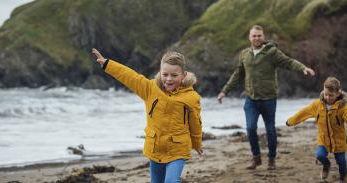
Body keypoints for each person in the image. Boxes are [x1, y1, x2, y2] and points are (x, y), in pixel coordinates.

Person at [92, 48, 203, 183]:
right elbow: (130, 77)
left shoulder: (191, 97)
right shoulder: (150, 89)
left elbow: (195, 123)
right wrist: (107, 64)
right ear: (160, 73)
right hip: (155, 147)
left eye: (174, 75)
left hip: (178, 149)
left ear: (184, 75)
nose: (169, 79)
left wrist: (197, 144)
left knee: (170, 181)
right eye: (165, 74)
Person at [217, 25, 315, 170]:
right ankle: (256, 158)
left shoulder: (272, 52)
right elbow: (238, 74)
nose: (256, 38)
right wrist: (224, 91)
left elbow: (288, 62)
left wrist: (303, 68)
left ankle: (271, 159)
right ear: (249, 38)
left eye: (259, 35)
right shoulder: (245, 54)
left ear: (263, 37)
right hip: (251, 99)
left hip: (269, 99)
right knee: (250, 128)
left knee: (270, 130)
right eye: (254, 36)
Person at [287, 77, 347, 182]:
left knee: (342, 162)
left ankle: (343, 176)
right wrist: (291, 121)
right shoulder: (317, 105)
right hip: (323, 140)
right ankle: (326, 165)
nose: (328, 97)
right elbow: (303, 112)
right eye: (326, 94)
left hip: (339, 141)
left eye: (331, 95)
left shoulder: (343, 107)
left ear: (338, 94)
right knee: (319, 155)